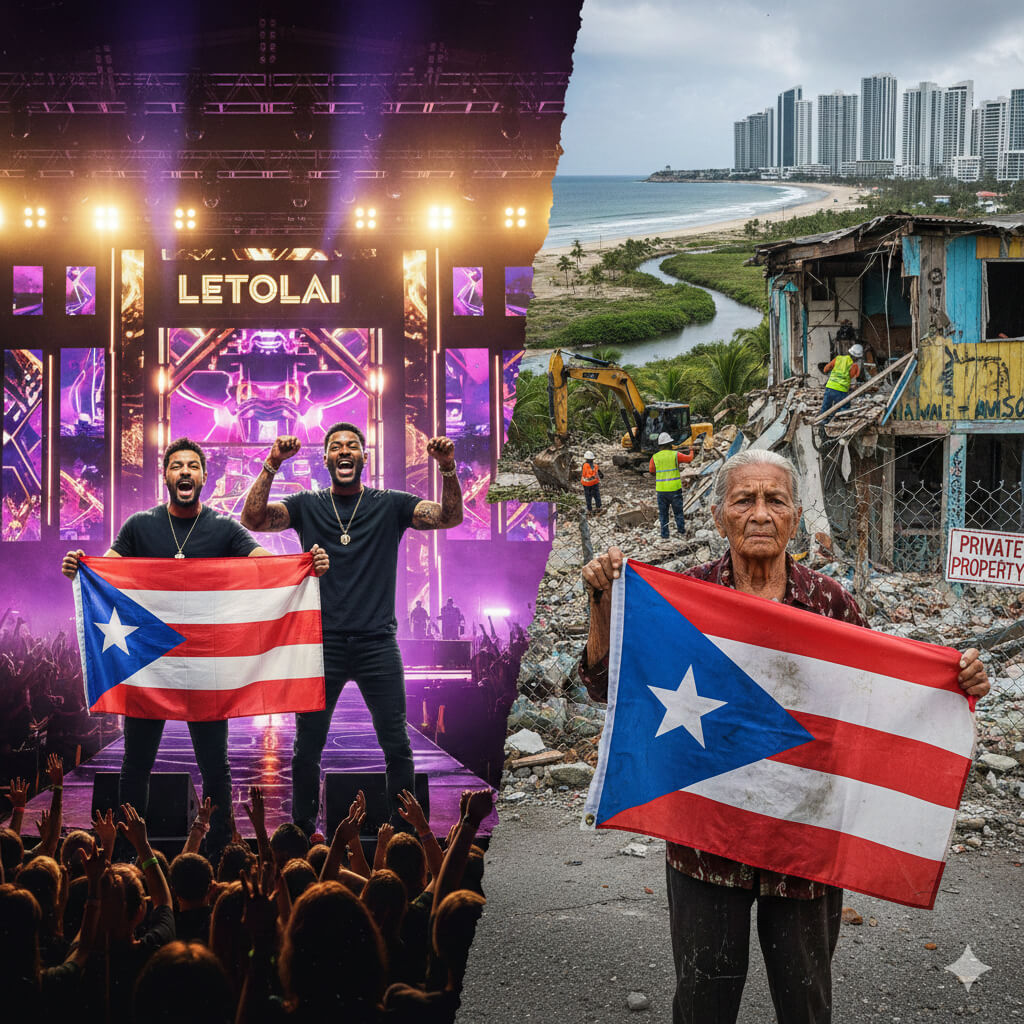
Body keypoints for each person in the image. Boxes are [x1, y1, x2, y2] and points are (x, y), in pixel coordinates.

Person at [579, 449, 990, 1024]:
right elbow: (604, 686)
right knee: (703, 1002)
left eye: (775, 500)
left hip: (805, 843)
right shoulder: (683, 599)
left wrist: (953, 682)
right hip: (706, 842)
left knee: (805, 1003)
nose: (760, 513)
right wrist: (603, 600)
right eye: (744, 499)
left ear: (796, 517)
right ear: (720, 516)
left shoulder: (830, 604)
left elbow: (880, 697)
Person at [61, 438, 329, 860]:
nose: (184, 472)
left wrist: (305, 566)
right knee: (136, 766)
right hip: (150, 667)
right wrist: (79, 566)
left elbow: (266, 564)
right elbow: (105, 568)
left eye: (192, 466)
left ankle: (223, 852)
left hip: (207, 669)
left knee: (215, 769)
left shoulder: (223, 528)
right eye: (176, 466)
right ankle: (132, 857)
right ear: (165, 475)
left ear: (205, 476)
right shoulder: (139, 526)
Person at [240, 422, 463, 836]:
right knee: (306, 747)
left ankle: (404, 832)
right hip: (321, 645)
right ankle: (305, 829)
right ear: (325, 459)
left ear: (364, 458)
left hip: (378, 643)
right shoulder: (307, 504)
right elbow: (253, 519)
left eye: (353, 446)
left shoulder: (389, 504)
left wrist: (447, 468)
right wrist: (272, 462)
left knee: (396, 744)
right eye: (336, 446)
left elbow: (449, 517)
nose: (345, 451)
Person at [649, 432, 692, 539]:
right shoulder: (675, 455)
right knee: (678, 512)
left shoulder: (655, 457)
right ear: (670, 444)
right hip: (675, 489)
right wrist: (691, 450)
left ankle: (665, 535)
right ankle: (681, 531)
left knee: (663, 514)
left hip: (661, 491)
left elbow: (651, 471)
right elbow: (689, 458)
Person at [818, 342, 863, 420]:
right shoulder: (854, 366)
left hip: (830, 387)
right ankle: (835, 422)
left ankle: (823, 423)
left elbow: (825, 369)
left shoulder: (838, 358)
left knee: (825, 408)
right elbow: (854, 376)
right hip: (841, 391)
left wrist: (833, 372)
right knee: (843, 408)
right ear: (857, 357)